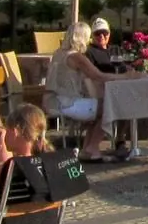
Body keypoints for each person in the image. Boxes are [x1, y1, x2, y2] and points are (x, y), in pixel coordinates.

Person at [49, 21, 123, 161]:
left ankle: (87, 149)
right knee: (109, 106)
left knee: (97, 107)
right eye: (88, 37)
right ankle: (92, 148)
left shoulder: (59, 52)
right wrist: (126, 77)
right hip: (66, 102)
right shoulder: (75, 56)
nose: (89, 41)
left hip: (54, 100)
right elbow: (98, 75)